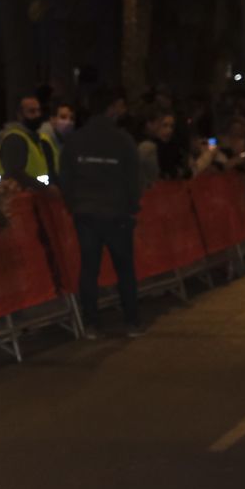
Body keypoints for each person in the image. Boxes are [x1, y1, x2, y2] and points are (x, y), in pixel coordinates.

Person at [59, 86, 143, 339]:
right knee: (125, 269)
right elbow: (133, 179)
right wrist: (130, 208)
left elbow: (66, 178)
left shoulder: (75, 140)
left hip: (86, 213)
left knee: (89, 269)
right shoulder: (123, 140)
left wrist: (74, 206)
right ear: (111, 108)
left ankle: (92, 324)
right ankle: (132, 322)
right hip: (116, 214)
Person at [0, 94, 56, 187]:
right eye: (32, 111)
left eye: (38, 110)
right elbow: (15, 174)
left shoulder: (34, 138)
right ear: (20, 115)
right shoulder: (14, 139)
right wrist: (44, 190)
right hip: (20, 196)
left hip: (35, 196)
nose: (37, 115)